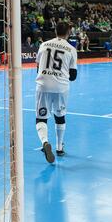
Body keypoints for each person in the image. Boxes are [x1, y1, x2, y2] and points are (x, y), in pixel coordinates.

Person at [34, 22, 78, 163]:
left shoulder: (43, 45)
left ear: (55, 31)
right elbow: (73, 76)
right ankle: (59, 147)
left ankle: (45, 142)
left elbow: (37, 67)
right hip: (61, 87)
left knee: (41, 117)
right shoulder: (71, 49)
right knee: (60, 116)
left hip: (43, 85)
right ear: (69, 32)